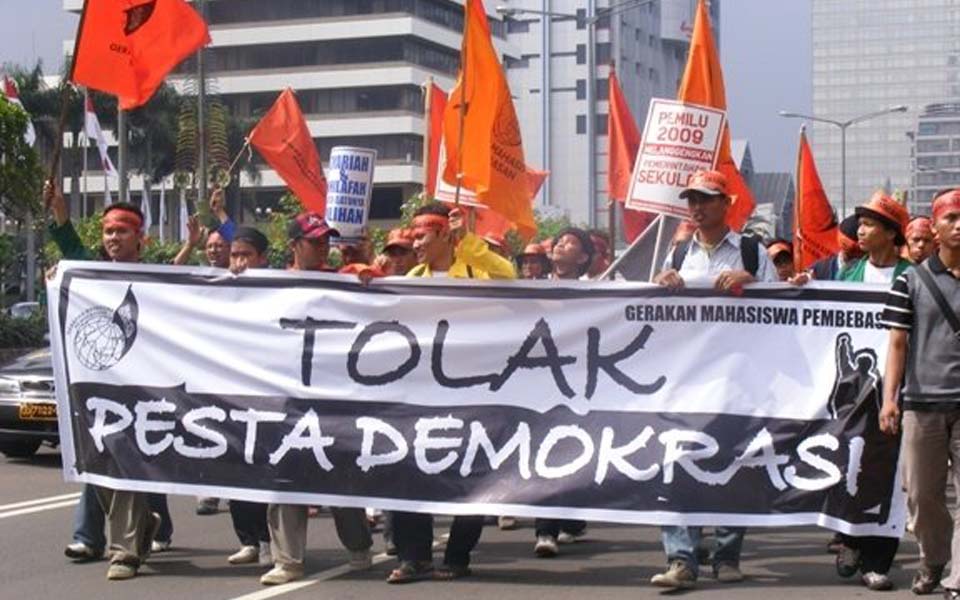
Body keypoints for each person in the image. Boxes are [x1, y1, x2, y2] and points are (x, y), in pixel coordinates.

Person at [649, 170, 777, 590]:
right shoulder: (680, 253)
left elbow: (785, 310)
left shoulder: (752, 251)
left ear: (727, 203)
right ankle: (681, 559)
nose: (697, 208)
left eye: (706, 199)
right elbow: (652, 309)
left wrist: (752, 282)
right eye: (692, 201)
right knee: (675, 465)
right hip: (685, 380)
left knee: (733, 465)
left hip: (738, 380)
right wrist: (661, 282)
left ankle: (727, 555)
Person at [238, 214, 374, 586]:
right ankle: (288, 560)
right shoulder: (270, 285)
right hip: (284, 401)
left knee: (340, 482)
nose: (322, 247)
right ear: (294, 244)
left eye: (325, 241)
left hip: (335, 400)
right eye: (314, 241)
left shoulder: (343, 279)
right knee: (284, 480)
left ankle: (359, 545)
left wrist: (367, 273)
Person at [387, 202, 515, 584]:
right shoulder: (412, 275)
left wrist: (470, 241)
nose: (415, 242)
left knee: (471, 475)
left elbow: (509, 276)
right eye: (412, 236)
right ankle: (415, 556)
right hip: (422, 392)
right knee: (410, 470)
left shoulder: (477, 270)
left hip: (475, 391)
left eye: (422, 235)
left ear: (444, 234)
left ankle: (457, 556)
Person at [45, 181, 165, 580]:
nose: (114, 238)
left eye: (122, 231)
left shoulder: (162, 281)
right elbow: (71, 252)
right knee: (97, 466)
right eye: (108, 231)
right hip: (95, 393)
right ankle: (141, 527)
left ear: (140, 238)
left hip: (144, 392)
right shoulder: (88, 274)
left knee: (125, 463)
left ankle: (125, 553)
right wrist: (61, 218)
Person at [879, 188, 960, 598]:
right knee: (922, 497)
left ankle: (957, 579)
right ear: (935, 226)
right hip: (922, 404)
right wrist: (890, 398)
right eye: (952, 218)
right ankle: (933, 559)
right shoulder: (909, 281)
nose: (959, 226)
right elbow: (897, 343)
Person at [832, 191, 911, 591]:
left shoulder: (914, 276)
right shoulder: (846, 275)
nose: (860, 231)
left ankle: (879, 559)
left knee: (891, 475)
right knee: (850, 466)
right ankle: (848, 539)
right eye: (860, 224)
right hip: (852, 395)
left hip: (900, 391)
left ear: (891, 233)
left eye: (870, 224)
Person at [530, 227, 595, 558]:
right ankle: (545, 530)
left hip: (579, 384)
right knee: (545, 452)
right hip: (539, 382)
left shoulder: (597, 293)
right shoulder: (532, 290)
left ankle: (570, 515)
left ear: (583, 257)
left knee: (570, 452)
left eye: (569, 243)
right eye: (558, 241)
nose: (559, 245)